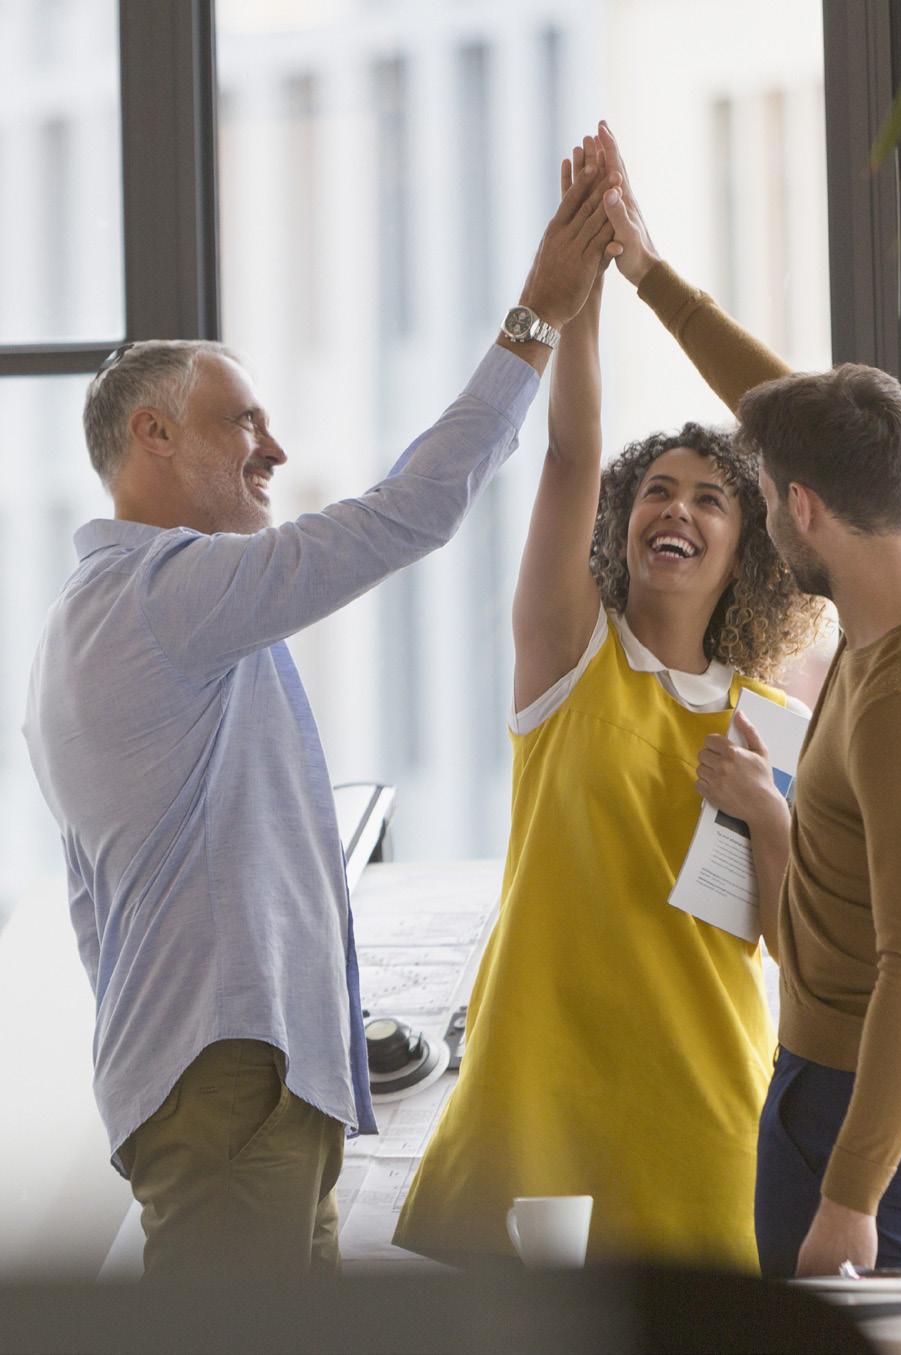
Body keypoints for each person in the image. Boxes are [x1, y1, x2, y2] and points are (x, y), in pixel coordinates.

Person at [21, 165, 619, 1284]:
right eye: (242, 420)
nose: (275, 450)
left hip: (232, 1083)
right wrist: (538, 314)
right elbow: (408, 513)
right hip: (227, 1080)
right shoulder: (163, 596)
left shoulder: (103, 619)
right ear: (152, 435)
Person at [597, 121, 901, 1277]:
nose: (767, 530)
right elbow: (783, 409)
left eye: (769, 506)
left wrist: (845, 1197)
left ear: (805, 511)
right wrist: (650, 280)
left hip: (866, 1117)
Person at [393, 138, 823, 1269]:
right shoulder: (568, 656)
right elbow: (570, 453)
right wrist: (582, 296)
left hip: (704, 1100)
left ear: (747, 550)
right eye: (658, 492)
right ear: (625, 523)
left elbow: (793, 940)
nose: (674, 508)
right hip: (538, 1097)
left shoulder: (770, 718)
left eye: (710, 499)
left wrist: (763, 806)